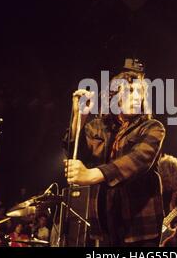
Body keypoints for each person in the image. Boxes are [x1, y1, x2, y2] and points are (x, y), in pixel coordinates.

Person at [63, 68, 165, 246]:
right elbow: (75, 153)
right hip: (104, 226)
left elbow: (138, 159)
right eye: (129, 91)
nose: (135, 97)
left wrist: (92, 174)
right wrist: (79, 118)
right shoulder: (97, 127)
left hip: (140, 228)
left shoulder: (152, 127)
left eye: (140, 92)